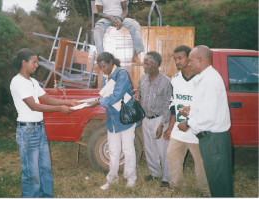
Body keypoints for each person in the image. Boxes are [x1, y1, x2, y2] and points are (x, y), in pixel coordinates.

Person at [10, 48, 78, 197]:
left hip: (39, 130)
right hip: (27, 132)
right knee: (31, 174)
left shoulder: (32, 81)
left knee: (45, 169)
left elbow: (46, 99)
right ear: (24, 62)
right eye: (34, 62)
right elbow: (33, 106)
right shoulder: (17, 82)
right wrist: (60, 108)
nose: (37, 65)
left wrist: (68, 101)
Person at [178, 45, 233, 197]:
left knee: (219, 183)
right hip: (211, 139)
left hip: (214, 140)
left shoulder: (209, 80)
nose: (189, 64)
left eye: (191, 61)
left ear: (200, 60)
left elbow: (208, 116)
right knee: (216, 180)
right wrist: (192, 111)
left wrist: (188, 123)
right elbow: (206, 108)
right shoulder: (207, 78)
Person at [163, 45, 210, 197]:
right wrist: (171, 128)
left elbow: (205, 106)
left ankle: (206, 191)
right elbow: (173, 106)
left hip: (197, 129)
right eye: (175, 58)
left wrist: (190, 122)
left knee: (201, 164)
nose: (177, 61)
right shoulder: (175, 80)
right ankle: (177, 187)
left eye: (180, 58)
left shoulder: (201, 79)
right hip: (179, 129)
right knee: (172, 155)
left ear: (189, 58)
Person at [87, 52, 138, 190]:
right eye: (100, 67)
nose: (103, 69)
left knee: (128, 149)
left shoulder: (122, 74)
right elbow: (105, 95)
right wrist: (99, 101)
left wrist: (98, 102)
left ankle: (131, 178)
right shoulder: (106, 77)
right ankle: (112, 179)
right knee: (113, 151)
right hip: (113, 120)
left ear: (111, 63)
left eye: (104, 66)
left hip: (126, 118)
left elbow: (115, 96)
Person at [134, 51, 172, 187]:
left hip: (160, 119)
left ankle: (167, 178)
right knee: (149, 148)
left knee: (163, 150)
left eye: (147, 63)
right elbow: (139, 92)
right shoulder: (143, 79)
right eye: (144, 63)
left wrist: (162, 124)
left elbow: (169, 105)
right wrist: (138, 96)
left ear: (156, 65)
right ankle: (155, 173)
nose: (144, 66)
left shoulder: (166, 82)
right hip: (147, 118)